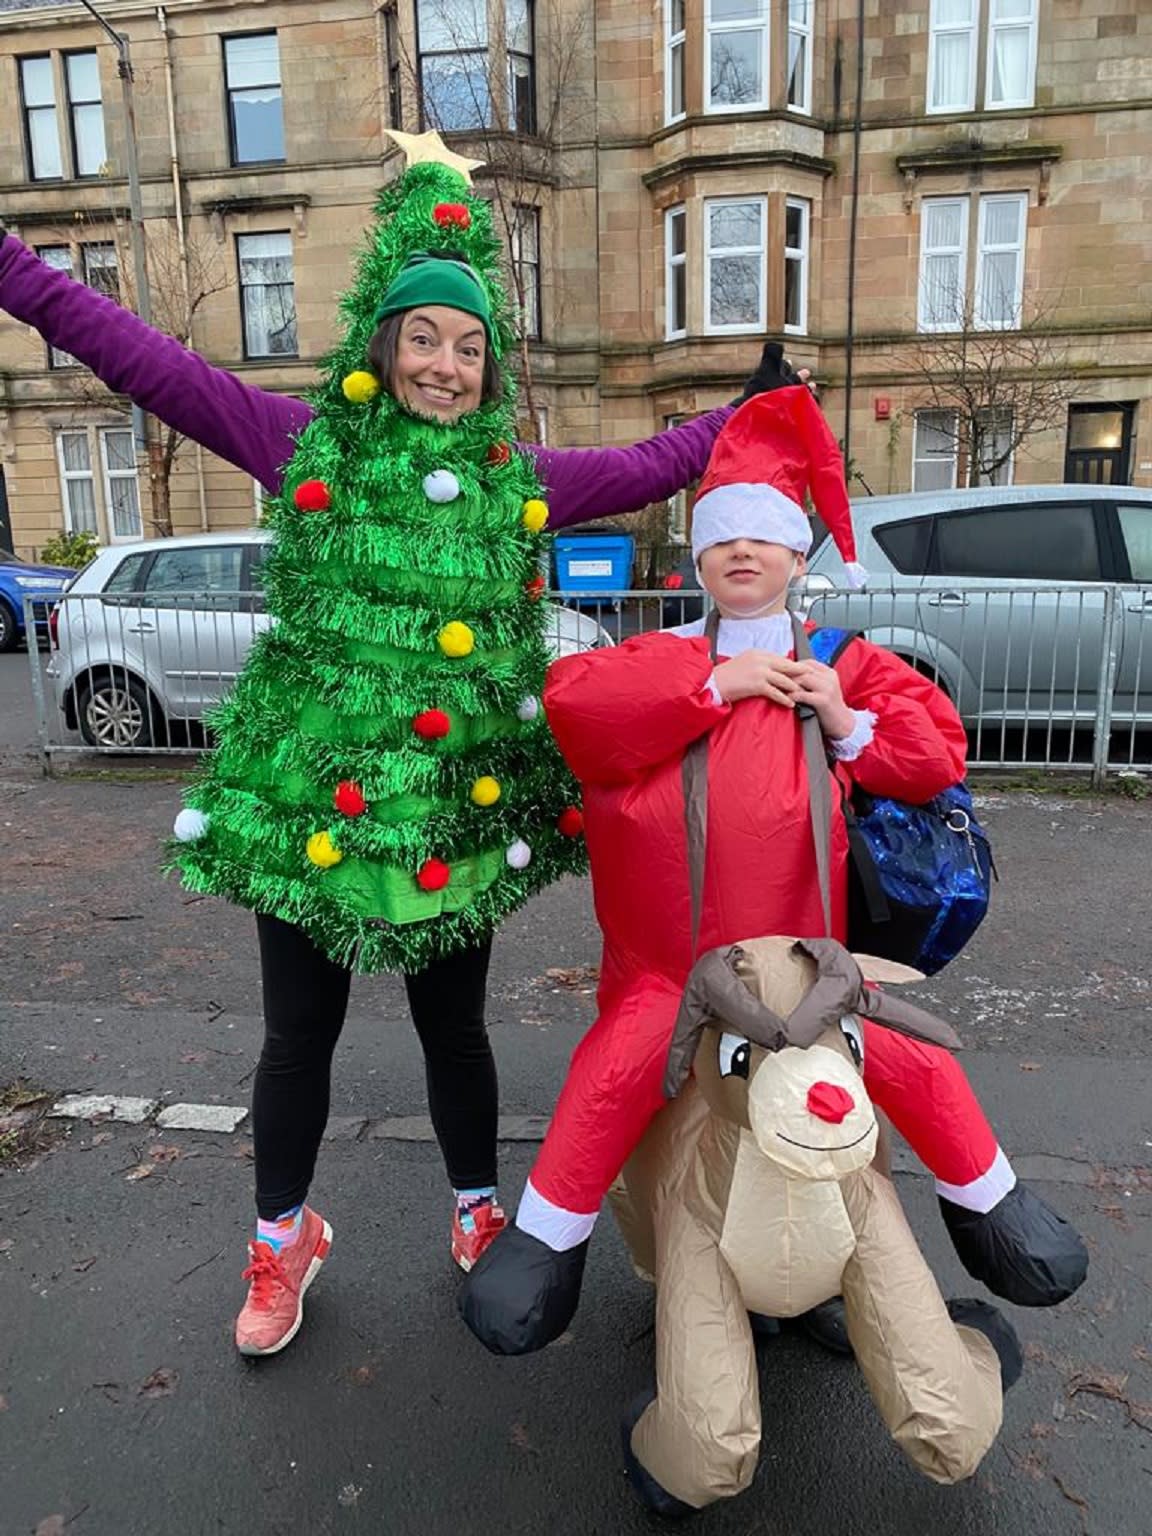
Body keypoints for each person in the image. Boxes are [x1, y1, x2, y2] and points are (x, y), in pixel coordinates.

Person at [0, 152, 798, 1359]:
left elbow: (648, 467)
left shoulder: (511, 482)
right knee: (296, 1041)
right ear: (383, 344)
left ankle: (478, 1213)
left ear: (487, 366)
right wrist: (13, 269)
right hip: (312, 817)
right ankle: (283, 1241)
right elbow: (143, 361)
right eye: (422, 338)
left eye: (466, 348)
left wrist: (746, 415)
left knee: (456, 1035)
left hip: (450, 822)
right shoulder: (298, 443)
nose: (443, 365)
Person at [460, 384, 1087, 1355]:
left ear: (799, 556)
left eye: (765, 539)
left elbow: (935, 756)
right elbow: (579, 712)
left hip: (810, 970)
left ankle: (986, 1204)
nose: (743, 553)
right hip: (667, 977)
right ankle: (550, 1240)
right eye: (723, 539)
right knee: (614, 1076)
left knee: (902, 1062)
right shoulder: (655, 657)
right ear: (700, 553)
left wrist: (843, 718)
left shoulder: (844, 660)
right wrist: (718, 685)